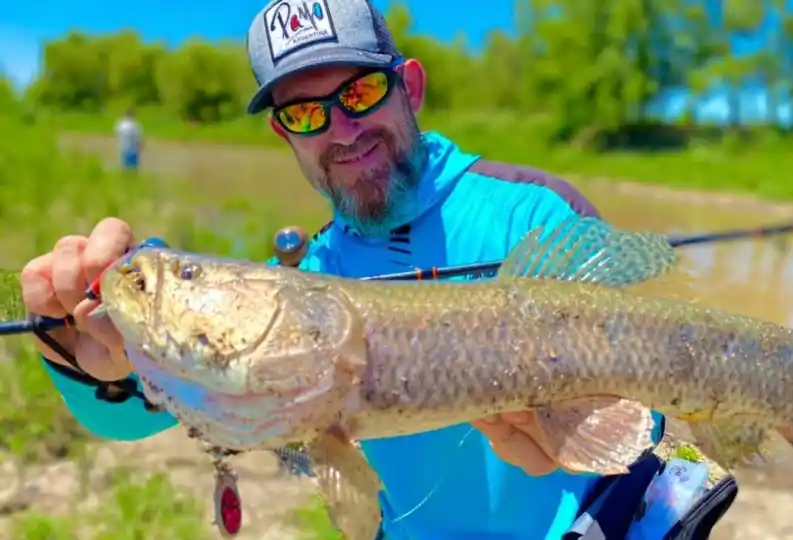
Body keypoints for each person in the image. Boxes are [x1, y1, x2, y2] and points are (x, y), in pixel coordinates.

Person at [21, 1, 736, 538]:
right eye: (305, 114)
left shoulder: (533, 214)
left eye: (358, 94)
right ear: (284, 133)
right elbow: (139, 415)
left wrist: (575, 437)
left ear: (410, 88)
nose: (341, 129)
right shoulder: (303, 281)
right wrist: (89, 358)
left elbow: (659, 376)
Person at [114, 108, 143, 172]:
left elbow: (117, 136)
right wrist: (141, 147)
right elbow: (138, 138)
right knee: (133, 167)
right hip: (133, 149)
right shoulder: (135, 125)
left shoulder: (120, 124)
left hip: (123, 148)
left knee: (124, 166)